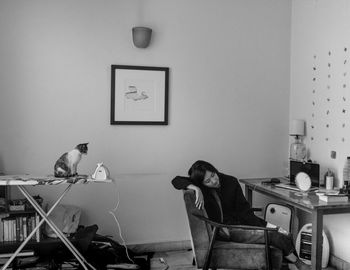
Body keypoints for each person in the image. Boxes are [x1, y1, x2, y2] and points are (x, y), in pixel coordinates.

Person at [172, 160, 310, 270]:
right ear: (201, 183)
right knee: (275, 235)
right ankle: (298, 263)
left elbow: (245, 211)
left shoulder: (230, 181)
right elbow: (176, 180)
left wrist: (266, 226)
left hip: (243, 223)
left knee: (283, 232)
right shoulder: (200, 186)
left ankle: (288, 263)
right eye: (208, 181)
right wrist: (194, 187)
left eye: (213, 175)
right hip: (226, 229)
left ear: (214, 170)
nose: (214, 181)